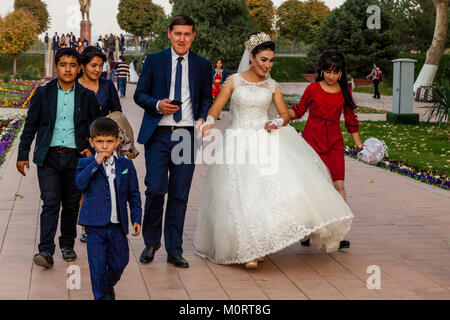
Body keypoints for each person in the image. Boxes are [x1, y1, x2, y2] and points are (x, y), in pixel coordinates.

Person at [194, 33, 353, 269]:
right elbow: (216, 108)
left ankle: (257, 246)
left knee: (261, 195)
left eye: (271, 61)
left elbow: (285, 114)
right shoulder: (233, 82)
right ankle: (245, 248)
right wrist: (207, 121)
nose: (267, 65)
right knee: (237, 195)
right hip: (238, 141)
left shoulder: (272, 85)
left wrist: (277, 123)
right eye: (263, 60)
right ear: (252, 58)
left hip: (264, 140)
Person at [134, 14, 212, 268]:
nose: (182, 38)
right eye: (178, 33)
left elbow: (205, 99)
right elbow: (139, 94)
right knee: (155, 189)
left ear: (193, 36)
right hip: (158, 134)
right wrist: (157, 104)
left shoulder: (202, 64)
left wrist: (201, 118)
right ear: (169, 34)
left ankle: (174, 249)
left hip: (185, 135)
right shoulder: (155, 61)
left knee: (179, 193)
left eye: (187, 34)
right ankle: (151, 242)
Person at [16, 48, 101, 268]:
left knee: (72, 204)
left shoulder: (87, 97)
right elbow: (31, 126)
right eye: (63, 64)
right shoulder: (43, 94)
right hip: (49, 158)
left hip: (76, 159)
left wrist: (92, 149)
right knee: (51, 202)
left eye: (73, 65)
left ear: (79, 68)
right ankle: (45, 250)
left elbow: (96, 127)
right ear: (56, 67)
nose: (68, 69)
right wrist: (23, 154)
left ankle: (67, 244)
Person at [75, 117, 142, 300]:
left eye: (109, 142)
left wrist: (136, 217)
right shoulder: (85, 164)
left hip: (117, 225)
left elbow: (134, 194)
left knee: (120, 262)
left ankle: (106, 287)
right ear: (92, 142)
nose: (104, 146)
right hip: (94, 225)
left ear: (117, 141)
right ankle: (101, 295)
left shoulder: (126, 165)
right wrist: (96, 163)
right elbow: (80, 184)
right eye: (100, 142)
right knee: (97, 266)